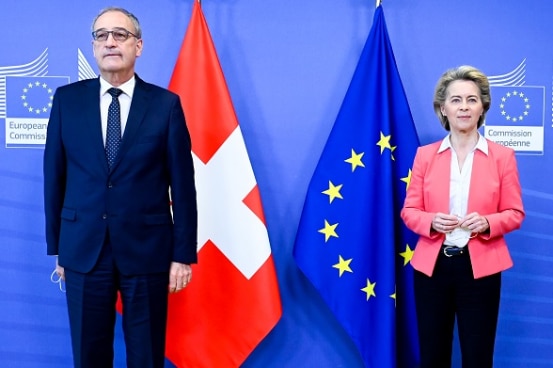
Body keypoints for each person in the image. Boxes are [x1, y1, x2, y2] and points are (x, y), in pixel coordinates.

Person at [43, 7, 197, 368]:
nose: (110, 42)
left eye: (120, 35)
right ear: (94, 46)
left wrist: (182, 254)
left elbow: (184, 186)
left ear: (138, 46)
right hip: (83, 250)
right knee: (89, 354)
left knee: (146, 355)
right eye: (101, 35)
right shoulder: (67, 101)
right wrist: (60, 248)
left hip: (148, 250)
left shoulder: (165, 105)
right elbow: (55, 176)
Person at [401, 65, 525, 368]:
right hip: (432, 268)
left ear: (483, 106)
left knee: (478, 355)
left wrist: (488, 222)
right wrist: (430, 221)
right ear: (443, 108)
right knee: (432, 356)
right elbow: (409, 211)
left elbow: (514, 213)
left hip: (480, 267)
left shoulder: (502, 157)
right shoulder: (425, 156)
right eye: (455, 100)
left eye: (471, 99)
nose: (464, 107)